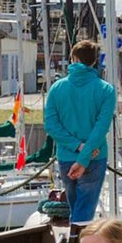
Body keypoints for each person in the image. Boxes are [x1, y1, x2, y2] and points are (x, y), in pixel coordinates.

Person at [41, 37, 116, 225]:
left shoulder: (56, 88)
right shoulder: (106, 90)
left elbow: (51, 125)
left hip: (67, 157)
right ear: (94, 61)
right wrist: (84, 155)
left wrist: (77, 147)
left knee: (76, 212)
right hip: (94, 157)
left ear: (73, 58)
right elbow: (101, 129)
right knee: (83, 216)